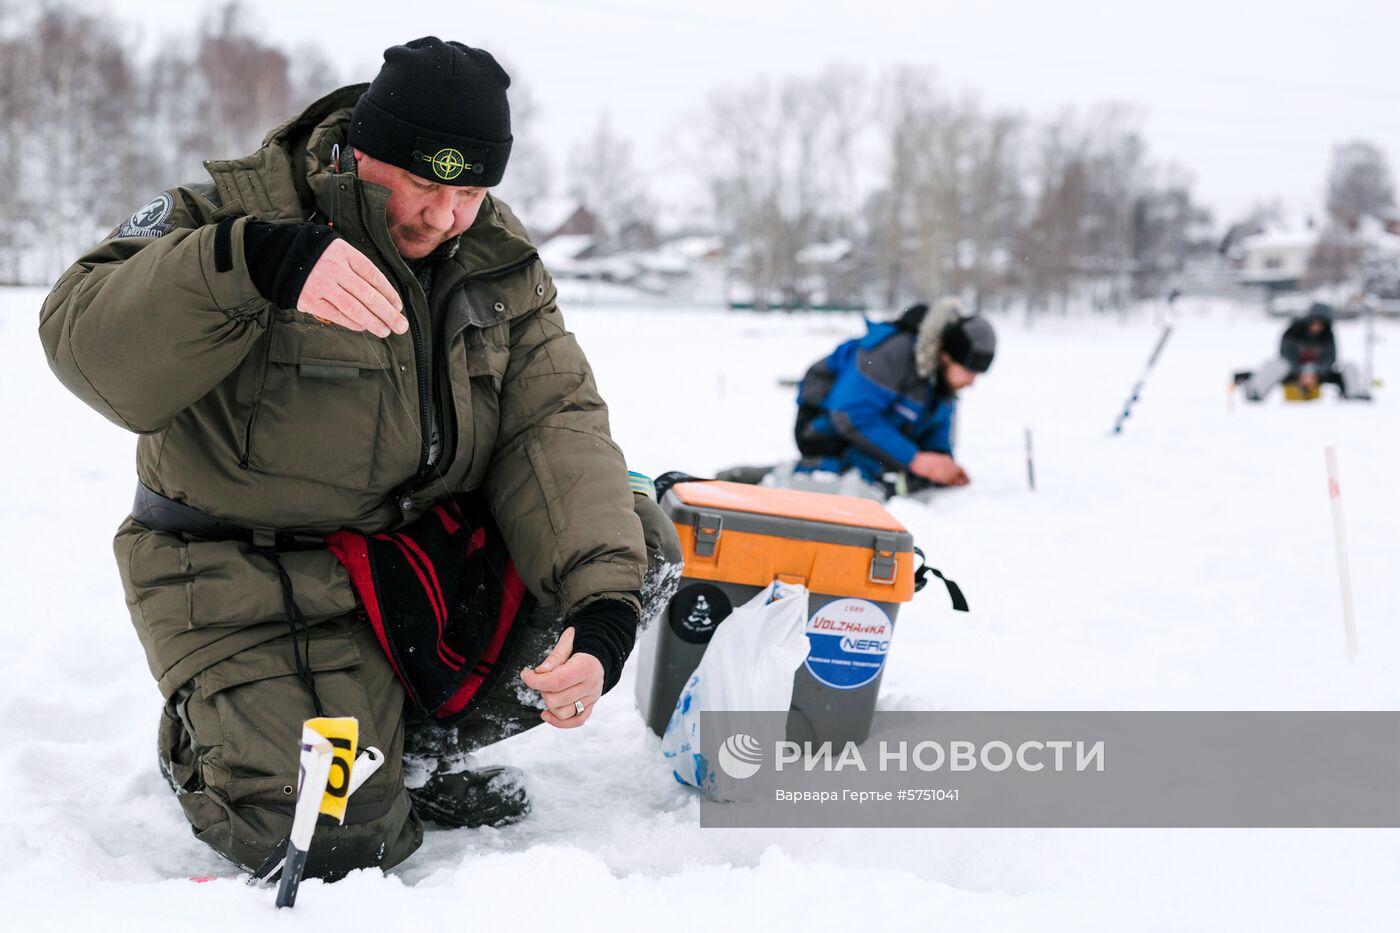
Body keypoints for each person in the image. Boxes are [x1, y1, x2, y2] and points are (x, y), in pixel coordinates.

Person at [38, 37, 680, 879]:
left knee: (634, 555)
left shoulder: (497, 254)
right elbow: (85, 346)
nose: (444, 216)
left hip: (410, 561)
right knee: (332, 843)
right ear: (362, 151)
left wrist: (599, 610)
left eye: (471, 192)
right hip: (245, 573)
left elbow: (552, 423)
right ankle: (214, 739)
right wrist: (246, 267)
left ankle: (405, 751)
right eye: (423, 183)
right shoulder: (233, 214)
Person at [791, 298, 995, 496]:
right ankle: (805, 475)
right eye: (969, 372)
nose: (971, 382)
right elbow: (849, 414)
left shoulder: (942, 381)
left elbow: (936, 426)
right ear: (946, 356)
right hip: (820, 427)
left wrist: (940, 462)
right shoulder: (893, 352)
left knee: (901, 469)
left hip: (865, 428)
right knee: (871, 471)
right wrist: (915, 459)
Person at [1244, 304, 1370, 401]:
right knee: (1274, 364)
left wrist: (1315, 373)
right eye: (1315, 322)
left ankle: (1354, 393)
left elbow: (1330, 358)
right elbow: (1285, 355)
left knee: (1349, 366)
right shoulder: (1292, 332)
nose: (1317, 326)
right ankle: (1256, 391)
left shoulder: (1328, 336)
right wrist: (1301, 373)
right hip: (1293, 372)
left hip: (1319, 374)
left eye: (1321, 324)